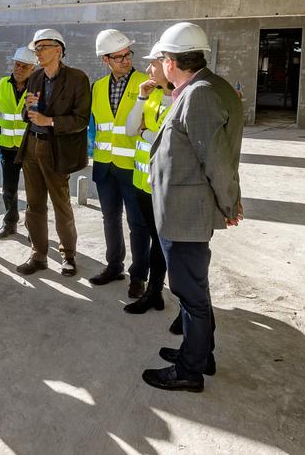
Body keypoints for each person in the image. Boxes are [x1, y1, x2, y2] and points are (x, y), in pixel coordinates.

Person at [142, 22, 244, 393]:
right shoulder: (207, 87)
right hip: (186, 209)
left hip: (186, 213)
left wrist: (229, 202)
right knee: (194, 289)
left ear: (171, 61)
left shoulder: (198, 93)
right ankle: (201, 352)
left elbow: (215, 159)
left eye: (161, 59)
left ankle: (190, 369)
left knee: (190, 294)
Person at [15, 28, 92, 277]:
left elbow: (81, 119)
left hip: (56, 148)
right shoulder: (35, 78)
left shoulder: (77, 78)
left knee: (61, 205)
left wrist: (49, 121)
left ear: (58, 50)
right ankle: (38, 255)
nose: (36, 52)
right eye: (35, 48)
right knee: (34, 206)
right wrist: (27, 110)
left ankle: (68, 255)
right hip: (32, 147)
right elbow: (27, 114)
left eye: (42, 47)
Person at [89, 29, 153, 298]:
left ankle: (139, 276)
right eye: (118, 57)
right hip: (105, 166)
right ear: (105, 60)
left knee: (138, 224)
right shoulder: (98, 87)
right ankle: (114, 266)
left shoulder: (146, 83)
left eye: (128, 54)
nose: (125, 60)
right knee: (110, 219)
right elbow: (94, 126)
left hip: (133, 168)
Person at [121, 39, 174, 314]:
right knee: (154, 238)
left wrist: (147, 133)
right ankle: (153, 291)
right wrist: (141, 97)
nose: (148, 69)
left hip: (164, 186)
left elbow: (171, 142)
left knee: (164, 242)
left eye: (152, 63)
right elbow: (131, 129)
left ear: (167, 64)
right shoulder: (152, 96)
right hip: (143, 183)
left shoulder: (180, 98)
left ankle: (157, 292)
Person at [0, 46, 37, 239]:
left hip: (29, 147)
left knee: (33, 191)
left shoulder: (37, 87)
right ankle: (10, 222)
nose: (19, 69)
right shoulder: (2, 84)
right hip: (7, 147)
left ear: (32, 69)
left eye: (24, 66)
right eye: (17, 64)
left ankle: (33, 226)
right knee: (8, 190)